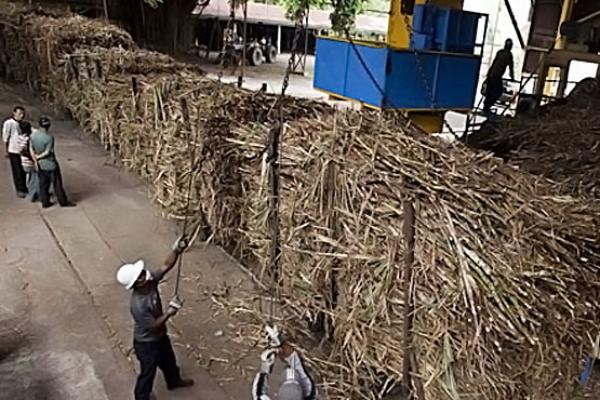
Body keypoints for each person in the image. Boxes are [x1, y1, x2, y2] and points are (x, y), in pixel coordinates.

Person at [116, 236, 195, 400]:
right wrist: (170, 312)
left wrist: (176, 250)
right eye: (142, 275)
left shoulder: (149, 282)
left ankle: (173, 381)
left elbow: (166, 266)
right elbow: (152, 326)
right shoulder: (138, 305)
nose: (147, 274)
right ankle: (141, 397)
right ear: (137, 284)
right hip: (146, 343)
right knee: (148, 372)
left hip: (159, 337)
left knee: (169, 361)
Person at [253, 326, 317, 400]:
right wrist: (280, 343)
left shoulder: (310, 394)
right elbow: (295, 360)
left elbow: (259, 392)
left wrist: (265, 366)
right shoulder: (310, 395)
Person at [29, 115, 74, 208]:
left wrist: (35, 159)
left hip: (40, 165)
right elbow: (47, 152)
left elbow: (31, 148)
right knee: (57, 184)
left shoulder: (33, 136)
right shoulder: (49, 137)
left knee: (43, 185)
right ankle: (63, 202)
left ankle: (45, 202)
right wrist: (39, 157)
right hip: (50, 164)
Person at [484, 38, 515, 113]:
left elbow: (494, 63)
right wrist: (512, 78)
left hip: (491, 74)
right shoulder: (509, 55)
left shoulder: (500, 52)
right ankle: (487, 106)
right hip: (496, 76)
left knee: (490, 91)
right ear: (511, 46)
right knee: (498, 91)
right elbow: (511, 67)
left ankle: (486, 106)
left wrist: (488, 75)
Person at [2, 106, 27, 197]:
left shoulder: (23, 124)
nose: (22, 115)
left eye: (23, 114)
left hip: (22, 151)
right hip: (13, 150)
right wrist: (6, 150)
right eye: (20, 113)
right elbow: (6, 137)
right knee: (17, 171)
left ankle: (25, 186)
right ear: (14, 113)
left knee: (24, 169)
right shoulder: (9, 123)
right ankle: (20, 189)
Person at [16, 120, 39, 202]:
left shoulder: (19, 138)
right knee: (35, 177)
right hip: (31, 162)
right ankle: (35, 193)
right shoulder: (29, 139)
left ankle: (31, 192)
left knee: (28, 178)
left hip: (24, 162)